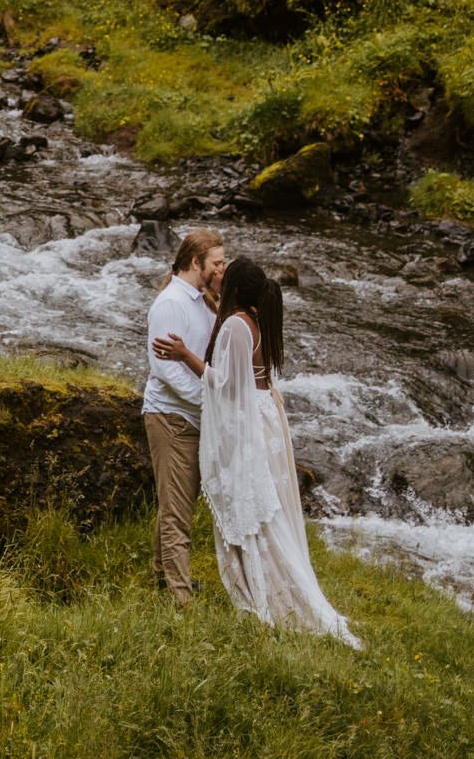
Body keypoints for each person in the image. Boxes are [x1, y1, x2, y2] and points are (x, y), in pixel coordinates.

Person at [155, 255, 360, 646]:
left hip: (250, 419)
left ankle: (267, 588)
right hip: (265, 413)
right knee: (267, 506)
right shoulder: (255, 315)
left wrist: (186, 356)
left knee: (253, 505)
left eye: (224, 272)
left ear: (233, 286)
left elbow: (227, 386)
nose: (218, 275)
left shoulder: (234, 325)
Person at [141, 229, 226, 604]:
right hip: (170, 417)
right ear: (196, 263)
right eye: (217, 263)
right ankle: (180, 598)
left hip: (192, 416)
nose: (222, 269)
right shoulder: (170, 304)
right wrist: (207, 403)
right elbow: (165, 371)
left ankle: (162, 573)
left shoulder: (202, 300)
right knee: (177, 513)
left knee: (177, 502)